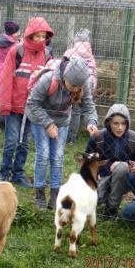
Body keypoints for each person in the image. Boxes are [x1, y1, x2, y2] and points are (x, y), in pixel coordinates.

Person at [26, 56, 99, 209]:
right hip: (40, 118)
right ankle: (39, 193)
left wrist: (92, 122)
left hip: (62, 120)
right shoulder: (48, 79)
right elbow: (32, 103)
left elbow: (88, 105)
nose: (75, 89)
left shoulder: (82, 83)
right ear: (65, 77)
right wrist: (48, 124)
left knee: (58, 157)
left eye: (78, 86)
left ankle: (55, 195)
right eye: (72, 85)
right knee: (43, 154)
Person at [0, 17, 54, 187]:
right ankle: (3, 173)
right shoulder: (17, 51)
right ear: (29, 35)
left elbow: (50, 80)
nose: (40, 40)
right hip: (14, 106)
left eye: (43, 37)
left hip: (33, 108)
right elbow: (6, 78)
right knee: (11, 141)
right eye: (37, 36)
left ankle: (18, 174)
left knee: (24, 143)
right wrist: (5, 104)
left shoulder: (47, 54)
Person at [85, 104, 135, 220]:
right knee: (91, 202)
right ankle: (100, 197)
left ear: (128, 124)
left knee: (121, 168)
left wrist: (132, 166)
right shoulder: (98, 137)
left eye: (123, 123)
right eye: (116, 123)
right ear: (108, 122)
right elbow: (87, 162)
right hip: (101, 176)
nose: (120, 127)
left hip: (124, 178)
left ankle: (111, 209)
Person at [64, 28, 97, 144]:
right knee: (77, 110)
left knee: (68, 108)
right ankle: (71, 138)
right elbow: (94, 71)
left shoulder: (70, 52)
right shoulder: (90, 54)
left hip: (73, 83)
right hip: (87, 83)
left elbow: (63, 64)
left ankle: (65, 135)